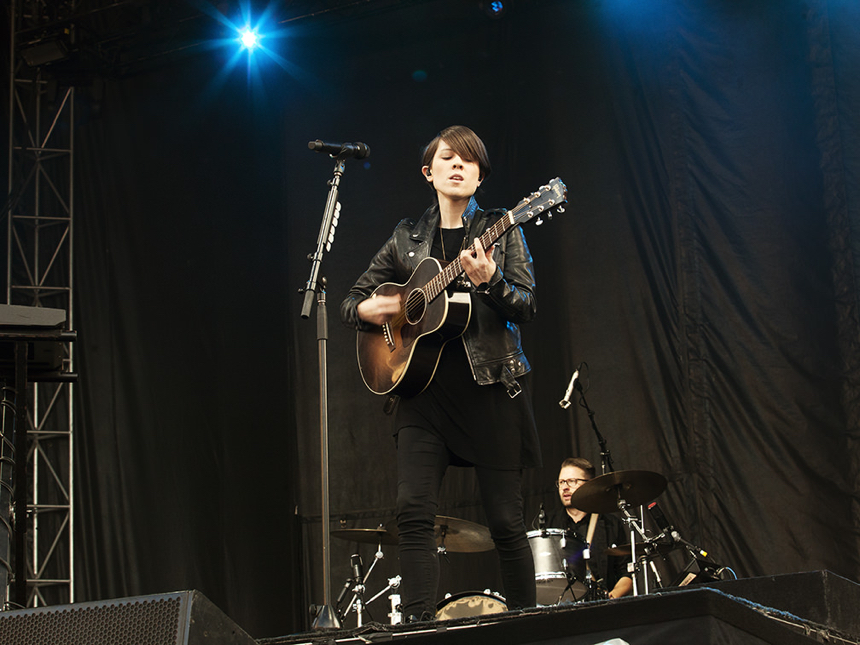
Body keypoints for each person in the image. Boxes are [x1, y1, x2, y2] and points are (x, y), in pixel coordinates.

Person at [340, 125, 541, 621]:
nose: (458, 166)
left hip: (491, 389)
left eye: (469, 161)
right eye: (448, 158)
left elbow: (527, 307)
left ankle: (527, 627)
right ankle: (417, 626)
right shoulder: (406, 238)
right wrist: (371, 311)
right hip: (422, 396)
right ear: (429, 173)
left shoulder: (503, 227)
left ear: (479, 176)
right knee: (412, 512)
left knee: (505, 523)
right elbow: (352, 302)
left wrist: (491, 281)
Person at [547, 457, 633, 599]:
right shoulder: (550, 525)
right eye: (561, 482)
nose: (565, 487)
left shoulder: (610, 524)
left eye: (572, 481)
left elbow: (626, 574)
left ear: (589, 485)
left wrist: (610, 598)